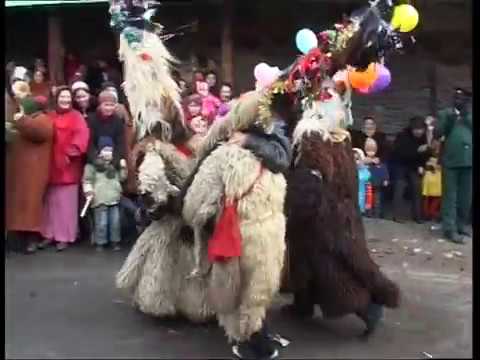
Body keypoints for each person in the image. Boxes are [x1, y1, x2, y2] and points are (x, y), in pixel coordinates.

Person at [41, 87, 90, 251]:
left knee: (66, 204)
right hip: (50, 164)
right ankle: (49, 234)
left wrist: (71, 152)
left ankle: (65, 236)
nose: (65, 100)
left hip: (69, 165)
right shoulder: (49, 116)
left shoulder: (77, 117)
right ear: (57, 98)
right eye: (62, 97)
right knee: (50, 203)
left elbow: (82, 136)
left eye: (68, 97)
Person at [6, 96, 53, 253]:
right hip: (23, 172)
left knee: (31, 208)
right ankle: (18, 242)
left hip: (34, 172)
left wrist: (21, 120)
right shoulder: (31, 119)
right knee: (21, 208)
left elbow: (40, 132)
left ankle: (31, 240)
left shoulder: (42, 119)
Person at [436, 88, 472, 244]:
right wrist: (449, 121)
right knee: (450, 197)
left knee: (465, 196)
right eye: (456, 97)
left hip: (468, 161)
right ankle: (449, 229)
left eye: (462, 98)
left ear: (467, 101)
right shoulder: (445, 113)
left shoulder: (470, 116)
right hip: (450, 161)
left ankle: (461, 225)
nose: (459, 100)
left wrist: (466, 118)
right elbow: (437, 133)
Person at [83, 137, 127, 251]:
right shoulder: (92, 166)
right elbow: (87, 180)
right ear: (99, 151)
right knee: (101, 223)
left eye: (110, 150)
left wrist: (123, 167)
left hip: (114, 198)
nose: (108, 152)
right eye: (105, 149)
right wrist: (88, 191)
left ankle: (115, 241)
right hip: (99, 199)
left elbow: (122, 178)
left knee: (115, 223)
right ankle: (100, 242)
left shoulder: (115, 165)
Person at [390, 116, 432, 223]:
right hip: (400, 165)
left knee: (417, 186)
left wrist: (422, 165)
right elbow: (399, 153)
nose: (419, 132)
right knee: (400, 186)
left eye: (421, 130)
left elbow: (427, 154)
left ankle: (417, 215)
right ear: (412, 129)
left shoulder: (424, 137)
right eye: (416, 130)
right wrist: (417, 150)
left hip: (414, 166)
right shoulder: (403, 136)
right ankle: (397, 215)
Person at [86, 90, 126, 170]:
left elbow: (120, 143)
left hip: (112, 161)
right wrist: (95, 158)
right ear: (100, 105)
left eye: (112, 105)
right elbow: (89, 142)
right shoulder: (91, 120)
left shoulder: (118, 122)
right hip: (95, 162)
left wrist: (115, 161)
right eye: (106, 105)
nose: (109, 108)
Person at [363, 138, 389, 218]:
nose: (371, 152)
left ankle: (377, 213)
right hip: (367, 184)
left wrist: (386, 179)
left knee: (377, 199)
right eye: (368, 150)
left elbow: (384, 170)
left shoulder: (379, 161)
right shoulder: (363, 161)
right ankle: (368, 213)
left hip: (377, 183)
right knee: (367, 199)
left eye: (373, 150)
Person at [422, 156, 442, 222]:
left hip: (437, 191)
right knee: (426, 208)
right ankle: (428, 215)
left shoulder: (440, 172)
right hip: (428, 191)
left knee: (432, 209)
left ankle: (434, 215)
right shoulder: (427, 172)